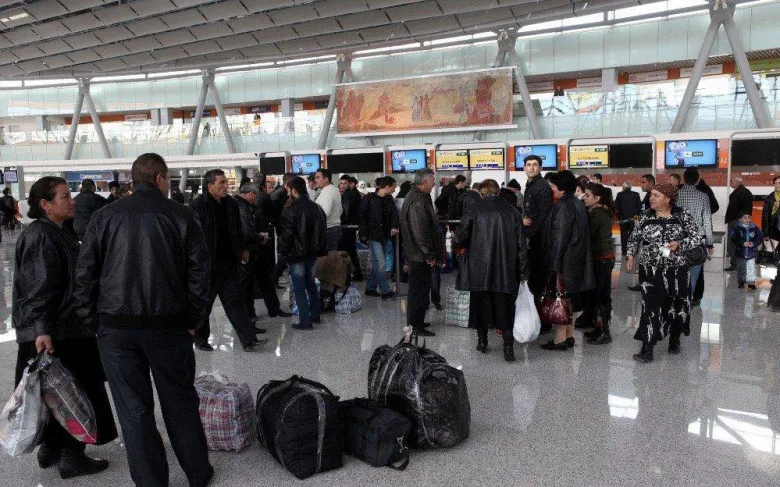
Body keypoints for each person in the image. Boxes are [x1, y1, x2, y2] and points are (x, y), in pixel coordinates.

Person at [73, 154, 213, 486]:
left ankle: (151, 481)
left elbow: (85, 274)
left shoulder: (104, 217)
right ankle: (197, 473)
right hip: (170, 324)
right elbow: (200, 274)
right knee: (179, 400)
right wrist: (194, 319)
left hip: (115, 327)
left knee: (133, 409)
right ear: (160, 178)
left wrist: (92, 322)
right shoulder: (182, 215)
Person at [13, 176, 117, 480]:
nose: (71, 201)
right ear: (45, 205)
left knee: (53, 393)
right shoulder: (41, 237)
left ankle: (51, 449)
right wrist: (41, 330)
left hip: (63, 328)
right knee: (73, 393)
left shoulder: (56, 231)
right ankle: (72, 455)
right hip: (58, 333)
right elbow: (38, 287)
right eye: (64, 197)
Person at [626, 183, 703, 363]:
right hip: (650, 270)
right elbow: (634, 237)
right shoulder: (645, 216)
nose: (651, 198)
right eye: (651, 194)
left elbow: (696, 237)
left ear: (668, 199)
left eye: (656, 195)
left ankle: (674, 339)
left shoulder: (682, 215)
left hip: (677, 270)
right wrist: (630, 255)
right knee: (650, 307)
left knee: (677, 304)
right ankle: (647, 347)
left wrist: (680, 244)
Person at [454, 179, 528, 362]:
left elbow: (460, 238)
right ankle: (508, 348)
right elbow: (521, 245)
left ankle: (482, 342)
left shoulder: (473, 210)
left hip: (478, 270)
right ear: (498, 192)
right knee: (505, 309)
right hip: (505, 270)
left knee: (480, 306)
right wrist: (523, 272)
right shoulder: (512, 211)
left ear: (481, 193)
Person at [191, 169, 263, 352]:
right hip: (208, 264)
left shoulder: (230, 204)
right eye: (221, 182)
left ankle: (248, 340)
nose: (226, 185)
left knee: (235, 301)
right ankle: (201, 339)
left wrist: (243, 249)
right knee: (205, 304)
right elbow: (193, 237)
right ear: (210, 186)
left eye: (226, 182)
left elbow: (237, 230)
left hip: (229, 261)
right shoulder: (198, 206)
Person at [540, 171, 595, 351]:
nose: (552, 190)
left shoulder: (563, 205)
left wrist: (554, 265)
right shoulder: (578, 203)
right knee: (570, 299)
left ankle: (560, 339)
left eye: (554, 186)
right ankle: (569, 336)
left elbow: (560, 237)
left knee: (560, 299)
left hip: (565, 261)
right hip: (576, 259)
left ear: (561, 188)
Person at [234, 182, 286, 326]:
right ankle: (249, 314)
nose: (256, 198)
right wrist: (260, 237)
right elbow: (246, 231)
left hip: (255, 249)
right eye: (255, 195)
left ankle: (273, 309)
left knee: (265, 280)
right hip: (248, 251)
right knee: (247, 284)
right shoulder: (241, 207)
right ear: (251, 193)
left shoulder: (247, 206)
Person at [279, 176, 327, 330]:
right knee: (310, 283)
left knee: (299, 287)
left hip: (296, 253)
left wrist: (282, 250)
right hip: (312, 252)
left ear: (294, 190)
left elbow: (287, 234)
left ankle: (305, 321)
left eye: (288, 189)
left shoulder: (291, 209)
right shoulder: (316, 207)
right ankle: (316, 315)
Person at [400, 168, 440, 337]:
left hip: (417, 253)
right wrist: (429, 254)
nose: (434, 183)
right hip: (418, 255)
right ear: (424, 182)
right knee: (418, 291)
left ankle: (417, 321)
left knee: (421, 290)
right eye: (433, 180)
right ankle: (415, 326)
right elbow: (420, 231)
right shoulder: (417, 200)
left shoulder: (420, 196)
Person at [581, 183, 616, 345]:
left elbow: (586, 234)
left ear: (597, 198)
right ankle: (600, 327)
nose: (584, 198)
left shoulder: (596, 214)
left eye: (587, 195)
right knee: (603, 295)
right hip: (606, 257)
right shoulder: (603, 211)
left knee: (598, 297)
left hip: (600, 258)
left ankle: (604, 331)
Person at [676, 167, 714, 304]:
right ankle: (689, 299)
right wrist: (710, 242)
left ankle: (679, 298)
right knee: (695, 269)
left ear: (683, 178)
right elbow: (707, 220)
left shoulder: (676, 195)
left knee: (679, 269)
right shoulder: (703, 196)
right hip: (698, 239)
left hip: (679, 238)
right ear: (698, 179)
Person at [359, 176, 399, 300]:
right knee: (381, 263)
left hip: (385, 235)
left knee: (378, 264)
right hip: (373, 236)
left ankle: (370, 288)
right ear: (386, 186)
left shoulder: (389, 199)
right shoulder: (369, 198)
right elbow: (361, 216)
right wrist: (364, 234)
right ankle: (385, 291)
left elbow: (394, 214)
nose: (394, 190)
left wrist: (394, 226)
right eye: (393, 187)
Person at [523, 155, 554, 298]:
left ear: (540, 168)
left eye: (535, 164)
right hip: (532, 237)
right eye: (528, 165)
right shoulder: (531, 185)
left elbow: (544, 214)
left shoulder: (542, 186)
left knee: (537, 278)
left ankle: (539, 309)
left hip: (538, 239)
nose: (531, 167)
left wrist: (531, 236)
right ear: (524, 168)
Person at [724, 176, 754, 271]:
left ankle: (735, 264)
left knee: (732, 244)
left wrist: (730, 220)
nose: (730, 183)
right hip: (745, 221)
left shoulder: (736, 193)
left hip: (735, 221)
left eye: (731, 181)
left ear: (737, 182)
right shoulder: (748, 192)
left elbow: (733, 209)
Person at [339, 174, 363, 281]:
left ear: (349, 183)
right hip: (351, 225)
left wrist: (344, 220)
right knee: (351, 251)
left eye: (345, 183)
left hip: (347, 226)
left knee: (347, 250)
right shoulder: (353, 193)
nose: (343, 185)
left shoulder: (349, 194)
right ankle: (356, 273)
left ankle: (350, 274)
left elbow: (347, 210)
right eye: (341, 183)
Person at [730, 211, 763, 290]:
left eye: (748, 217)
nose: (747, 219)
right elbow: (734, 239)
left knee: (751, 267)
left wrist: (753, 243)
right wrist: (742, 243)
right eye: (745, 218)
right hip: (741, 252)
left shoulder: (755, 228)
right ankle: (741, 281)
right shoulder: (736, 228)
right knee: (741, 268)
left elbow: (759, 238)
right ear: (740, 219)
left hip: (751, 252)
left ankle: (751, 283)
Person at [314, 168, 343, 251]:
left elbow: (325, 213)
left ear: (326, 179)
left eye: (318, 177)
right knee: (331, 257)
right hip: (333, 229)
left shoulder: (328, 192)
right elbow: (341, 210)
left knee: (328, 258)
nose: (315, 180)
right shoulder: (332, 190)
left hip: (329, 230)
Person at [615, 181, 642, 256]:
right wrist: (637, 217)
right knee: (633, 234)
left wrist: (619, 217)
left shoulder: (619, 194)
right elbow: (639, 207)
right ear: (630, 187)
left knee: (623, 235)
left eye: (622, 186)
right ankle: (634, 250)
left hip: (623, 218)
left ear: (624, 187)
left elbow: (616, 207)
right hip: (633, 218)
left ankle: (624, 251)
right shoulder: (636, 194)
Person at [762, 175, 780, 243]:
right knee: (774, 249)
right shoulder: (768, 199)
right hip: (774, 230)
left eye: (779, 183)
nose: (777, 185)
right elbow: (765, 217)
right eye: (775, 183)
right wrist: (765, 233)